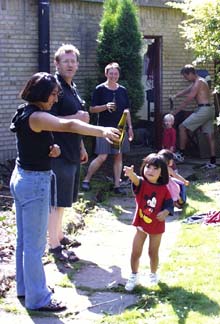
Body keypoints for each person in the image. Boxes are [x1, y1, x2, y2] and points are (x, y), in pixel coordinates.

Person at [9, 72, 120, 311]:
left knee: (24, 241)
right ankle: (38, 299)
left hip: (21, 177)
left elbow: (32, 143)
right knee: (35, 245)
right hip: (34, 183)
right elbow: (68, 124)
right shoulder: (38, 116)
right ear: (41, 94)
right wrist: (101, 131)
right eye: (53, 94)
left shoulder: (23, 112)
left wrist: (52, 148)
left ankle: (25, 288)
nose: (55, 99)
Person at [48, 44, 90, 262]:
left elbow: (77, 122)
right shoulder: (53, 88)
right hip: (58, 153)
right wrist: (76, 117)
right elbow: (49, 121)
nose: (70, 65)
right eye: (66, 61)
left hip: (73, 150)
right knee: (56, 201)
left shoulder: (71, 87)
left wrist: (81, 146)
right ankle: (54, 246)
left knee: (64, 199)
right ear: (57, 64)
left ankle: (60, 235)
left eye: (73, 61)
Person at [81, 62, 134, 195]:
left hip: (120, 128)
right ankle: (86, 180)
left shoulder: (122, 90)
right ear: (106, 74)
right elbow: (92, 109)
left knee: (118, 156)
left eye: (116, 73)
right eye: (111, 73)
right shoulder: (100, 89)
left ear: (118, 75)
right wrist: (105, 106)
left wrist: (130, 127)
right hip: (103, 129)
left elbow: (126, 110)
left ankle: (117, 185)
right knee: (102, 156)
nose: (113, 76)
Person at [123, 153, 173, 291]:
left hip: (157, 226)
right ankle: (134, 275)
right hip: (141, 225)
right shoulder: (142, 184)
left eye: (155, 168)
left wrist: (165, 212)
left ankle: (153, 274)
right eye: (148, 167)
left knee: (153, 252)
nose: (150, 171)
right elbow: (136, 180)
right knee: (135, 252)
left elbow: (169, 205)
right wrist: (130, 174)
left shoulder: (164, 189)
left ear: (162, 172)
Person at [171, 64, 216, 168]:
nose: (185, 78)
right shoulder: (198, 81)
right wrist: (175, 96)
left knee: (182, 127)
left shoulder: (199, 82)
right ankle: (213, 162)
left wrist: (175, 112)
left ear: (191, 73)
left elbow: (189, 99)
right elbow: (186, 91)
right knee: (209, 135)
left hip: (203, 110)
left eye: (185, 76)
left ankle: (181, 154)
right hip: (209, 109)